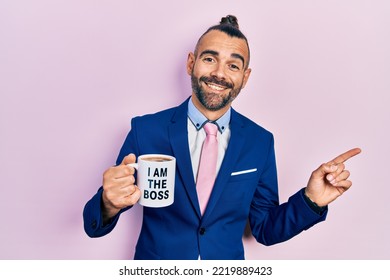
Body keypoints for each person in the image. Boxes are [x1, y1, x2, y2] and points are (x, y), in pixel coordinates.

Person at [83, 15, 361, 260]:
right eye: (209, 59)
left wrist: (311, 201)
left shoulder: (260, 142)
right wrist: (108, 203)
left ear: (245, 77)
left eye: (233, 65)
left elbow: (264, 229)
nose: (219, 73)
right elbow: (93, 222)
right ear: (191, 63)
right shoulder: (146, 130)